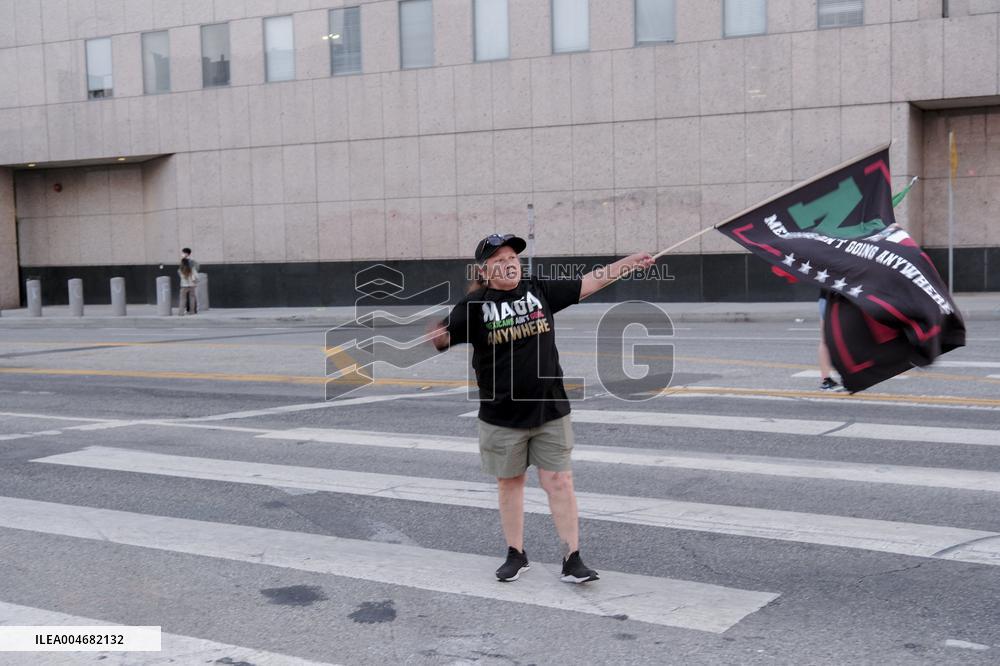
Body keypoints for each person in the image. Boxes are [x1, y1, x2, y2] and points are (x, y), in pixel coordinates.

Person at [429, 233, 654, 584]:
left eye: (513, 258)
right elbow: (443, 337)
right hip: (502, 414)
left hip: (550, 409)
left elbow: (591, 281)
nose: (509, 264)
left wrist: (630, 263)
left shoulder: (539, 290)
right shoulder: (473, 308)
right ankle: (515, 553)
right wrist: (438, 336)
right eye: (499, 260)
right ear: (484, 271)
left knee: (560, 481)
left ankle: (572, 557)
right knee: (510, 483)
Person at [817, 289, 841, 391]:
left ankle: (826, 380)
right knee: (826, 339)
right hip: (832, 299)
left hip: (837, 298)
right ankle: (826, 380)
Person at [181, 248, 200, 314]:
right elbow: (197, 267)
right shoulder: (189, 260)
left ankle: (191, 309)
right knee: (191, 296)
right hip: (189, 281)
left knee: (189, 296)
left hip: (188, 281)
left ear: (186, 253)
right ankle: (192, 309)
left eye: (183, 253)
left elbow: (182, 270)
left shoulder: (189, 261)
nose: (182, 254)